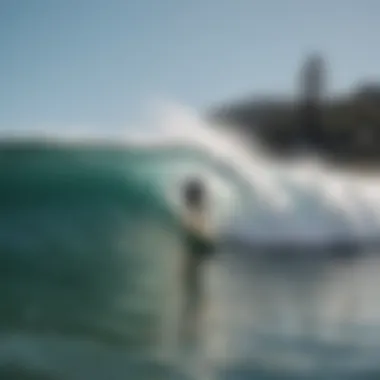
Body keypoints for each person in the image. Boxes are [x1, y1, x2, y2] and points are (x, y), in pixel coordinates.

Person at [180, 177, 216, 349]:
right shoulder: (197, 207)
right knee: (193, 284)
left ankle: (196, 317)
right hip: (199, 250)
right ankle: (197, 315)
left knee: (192, 283)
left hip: (198, 251)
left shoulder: (198, 209)